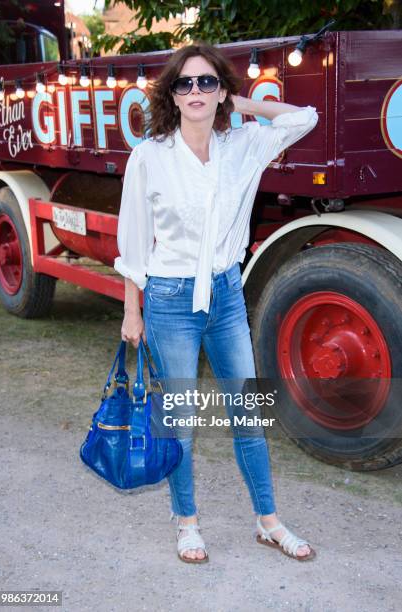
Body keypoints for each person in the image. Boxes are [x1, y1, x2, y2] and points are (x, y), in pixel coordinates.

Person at [114, 41, 318, 564]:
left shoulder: (243, 145)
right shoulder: (150, 158)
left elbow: (304, 117)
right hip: (169, 299)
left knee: (249, 412)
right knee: (180, 420)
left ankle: (267, 522)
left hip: (226, 295)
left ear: (221, 91)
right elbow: (134, 246)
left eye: (207, 82)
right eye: (185, 83)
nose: (196, 91)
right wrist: (131, 311)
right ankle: (187, 522)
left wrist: (243, 105)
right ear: (172, 96)